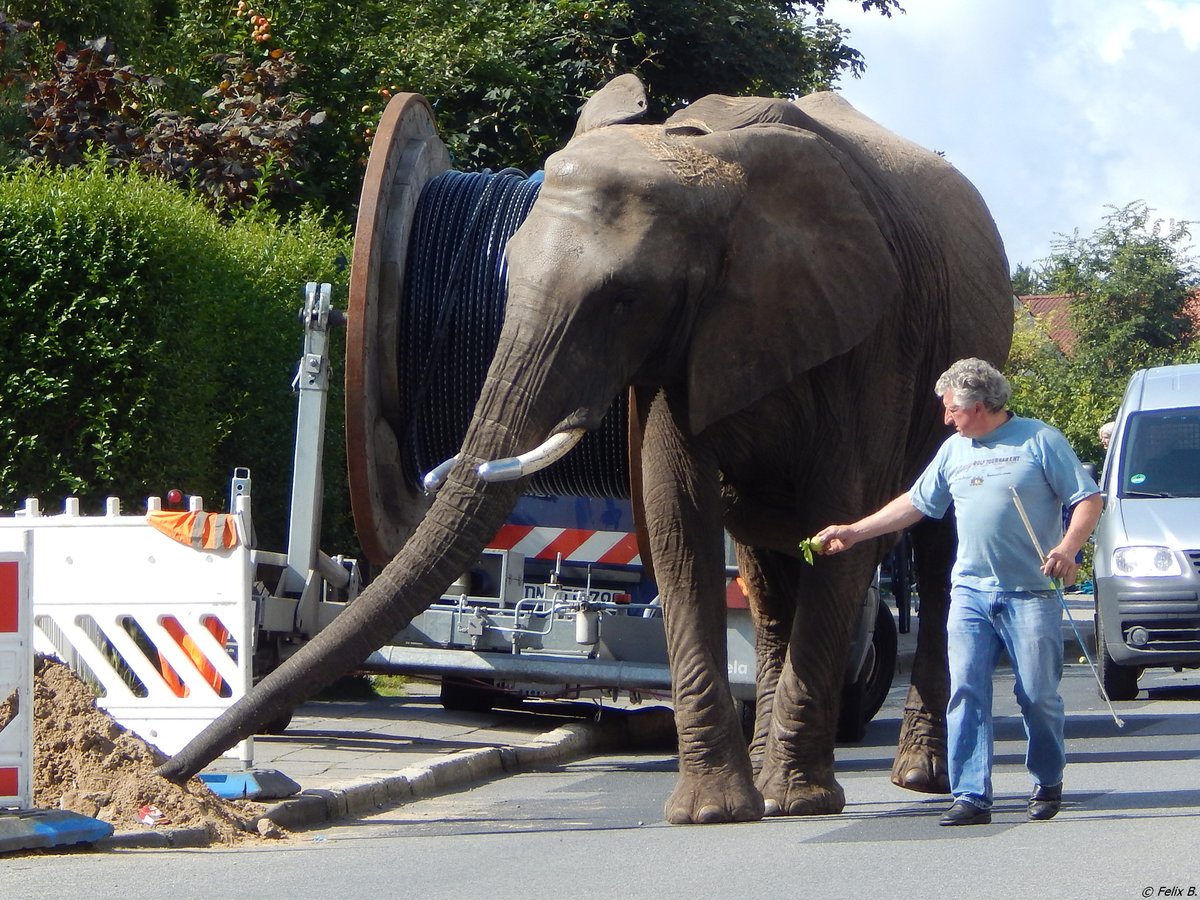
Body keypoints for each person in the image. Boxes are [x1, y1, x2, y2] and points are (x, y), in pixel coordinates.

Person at [815, 358, 1102, 826]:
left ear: (982, 404)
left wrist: (1068, 549)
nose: (946, 419)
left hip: (1030, 593)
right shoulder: (954, 450)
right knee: (966, 690)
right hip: (969, 593)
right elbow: (915, 502)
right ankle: (971, 794)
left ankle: (1047, 779)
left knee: (1038, 695)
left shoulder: (1039, 440)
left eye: (952, 409)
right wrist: (855, 531)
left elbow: (1088, 499)